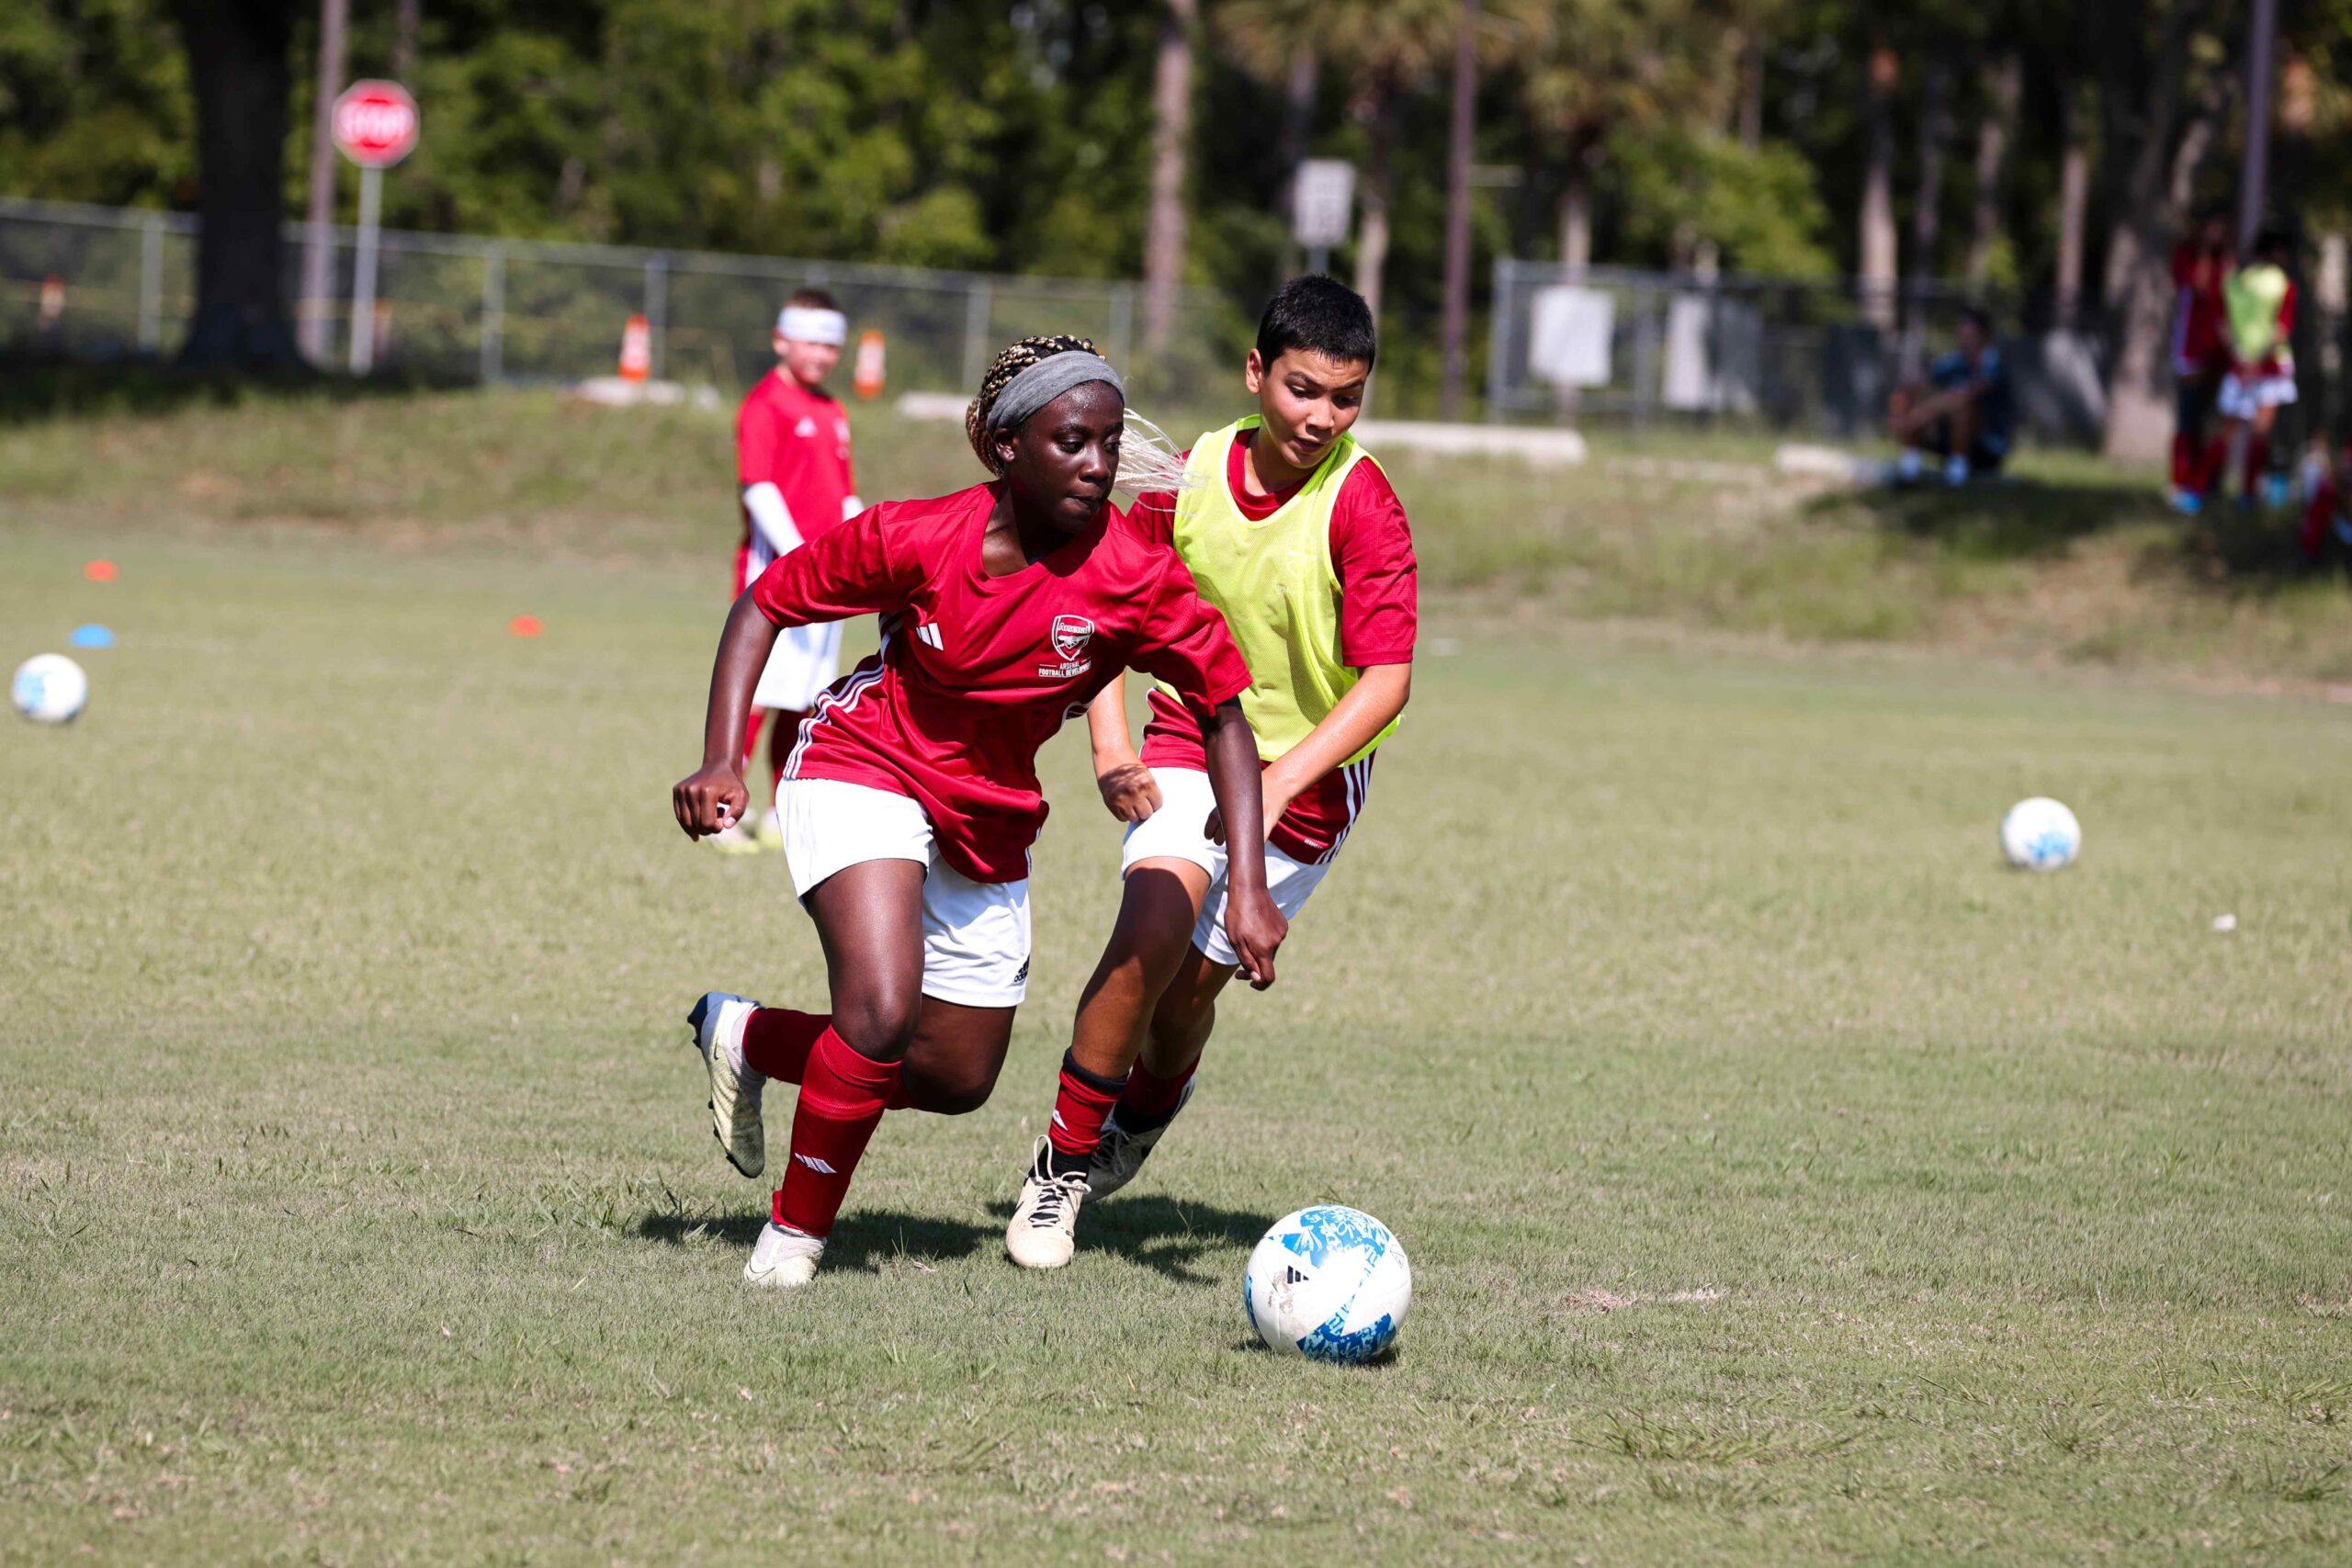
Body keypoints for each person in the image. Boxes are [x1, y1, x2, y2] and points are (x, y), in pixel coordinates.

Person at [670, 335, 1287, 1288]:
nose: (1097, 466)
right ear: (1004, 447)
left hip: (988, 814)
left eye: (1109, 443)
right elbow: (765, 603)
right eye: (1071, 442)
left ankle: (747, 1036)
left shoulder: (1133, 575)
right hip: (860, 761)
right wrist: (721, 754)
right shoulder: (916, 536)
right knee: (876, 1013)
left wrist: (1247, 885)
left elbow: (1224, 717)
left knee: (952, 1079)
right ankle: (790, 1249)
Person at [997, 276, 1419, 1269]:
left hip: (1309, 774)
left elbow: (1385, 684)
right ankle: (1058, 1169)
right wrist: (1109, 743)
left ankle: (1139, 1116)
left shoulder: (1365, 506)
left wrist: (1271, 790)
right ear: (1254, 373)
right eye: (1302, 388)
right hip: (1191, 733)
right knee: (1150, 921)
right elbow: (1102, 607)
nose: (1321, 416)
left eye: (1345, 397)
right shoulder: (1189, 476)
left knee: (1186, 996)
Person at [710, 288, 864, 853]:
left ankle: (779, 811)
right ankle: (720, 808)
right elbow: (759, 489)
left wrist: (859, 546)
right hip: (777, 575)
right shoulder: (764, 405)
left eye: (833, 345)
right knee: (757, 691)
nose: (824, 355)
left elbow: (844, 496)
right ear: (782, 340)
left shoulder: (832, 411)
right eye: (813, 342)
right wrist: (801, 553)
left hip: (827, 578)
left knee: (805, 694)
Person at [2185, 229, 2299, 514]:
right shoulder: (2282, 284)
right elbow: (2281, 330)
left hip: (2239, 364)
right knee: (2260, 435)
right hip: (2269, 367)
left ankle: (2195, 491)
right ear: (2276, 251)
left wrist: (2240, 356)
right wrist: (2257, 360)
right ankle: (2247, 495)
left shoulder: (2233, 281)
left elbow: (2221, 324)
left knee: (2225, 433)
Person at [1887, 307, 2014, 487]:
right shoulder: (1957, 361)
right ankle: (1910, 467)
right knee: (1906, 396)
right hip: (1947, 440)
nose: (1964, 342)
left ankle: (1957, 473)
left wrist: (1917, 417)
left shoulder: (1994, 364)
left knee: (1963, 406)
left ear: (1984, 336)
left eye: (1969, 337)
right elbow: (1918, 380)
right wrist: (1901, 399)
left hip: (1986, 447)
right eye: (1961, 337)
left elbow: (1965, 394)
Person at [2170, 211, 2234, 506]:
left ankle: (2208, 484)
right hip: (2191, 350)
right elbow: (2198, 285)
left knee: (2216, 425)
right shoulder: (2187, 256)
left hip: (2220, 353)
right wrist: (2206, 252)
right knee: (2188, 420)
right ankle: (2181, 481)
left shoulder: (2228, 262)